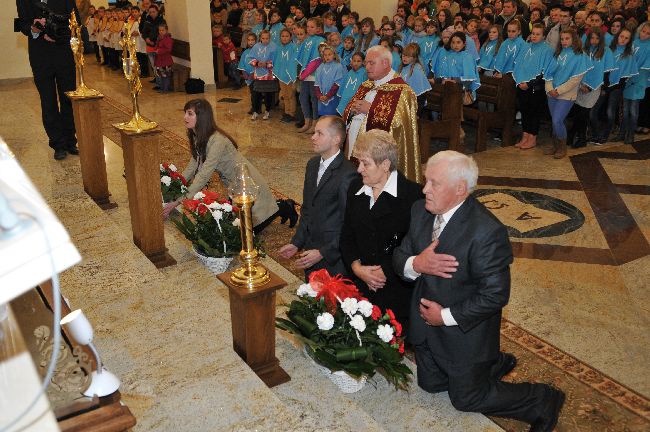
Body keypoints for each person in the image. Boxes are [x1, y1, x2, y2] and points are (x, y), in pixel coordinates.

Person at [393, 151, 565, 432]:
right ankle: (494, 365)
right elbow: (400, 256)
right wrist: (417, 263)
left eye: (434, 183)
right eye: (426, 180)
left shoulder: (486, 232)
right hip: (425, 331)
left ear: (460, 189)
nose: (424, 189)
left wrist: (445, 316)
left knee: (465, 399)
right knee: (431, 386)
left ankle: (543, 399)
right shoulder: (420, 211)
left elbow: (496, 295)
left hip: (463, 333)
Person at [163, 99, 297, 231]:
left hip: (248, 184)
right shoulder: (197, 135)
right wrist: (177, 186)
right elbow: (192, 166)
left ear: (202, 117)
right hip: (234, 186)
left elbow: (204, 174)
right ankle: (277, 207)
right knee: (234, 226)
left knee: (249, 232)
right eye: (185, 113)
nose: (185, 117)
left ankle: (285, 206)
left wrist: (177, 201)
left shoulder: (217, 140)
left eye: (190, 113)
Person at [340, 130, 423, 330]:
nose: (359, 169)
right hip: (360, 283)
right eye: (358, 162)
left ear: (385, 165)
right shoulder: (355, 188)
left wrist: (382, 272)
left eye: (365, 163)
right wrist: (357, 269)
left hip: (394, 287)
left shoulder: (413, 196)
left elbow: (413, 246)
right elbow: (346, 235)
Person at [278, 116, 358, 279]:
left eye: (319, 133)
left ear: (336, 139)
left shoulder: (348, 174)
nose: (313, 137)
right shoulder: (313, 165)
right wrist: (297, 242)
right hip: (310, 250)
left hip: (334, 259)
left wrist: (323, 252)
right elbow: (308, 208)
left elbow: (350, 224)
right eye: (314, 132)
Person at [343, 46, 422, 184]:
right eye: (366, 63)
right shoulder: (366, 85)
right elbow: (349, 108)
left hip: (379, 155)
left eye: (371, 63)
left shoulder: (403, 91)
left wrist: (371, 109)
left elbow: (400, 124)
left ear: (385, 63)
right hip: (355, 146)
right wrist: (352, 109)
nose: (367, 67)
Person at [16, 0, 79, 160]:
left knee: (68, 99)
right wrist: (34, 28)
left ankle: (70, 141)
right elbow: (20, 24)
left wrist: (58, 35)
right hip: (40, 56)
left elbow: (75, 21)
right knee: (48, 100)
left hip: (63, 53)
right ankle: (57, 143)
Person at [544, 28, 590, 159]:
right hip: (551, 93)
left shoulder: (580, 56)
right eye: (562, 39)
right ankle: (555, 145)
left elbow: (575, 80)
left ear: (574, 39)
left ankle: (562, 147)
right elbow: (548, 74)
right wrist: (550, 88)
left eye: (567, 38)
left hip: (566, 94)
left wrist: (558, 91)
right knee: (556, 121)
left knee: (557, 120)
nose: (564, 41)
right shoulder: (557, 53)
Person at [567, 27, 615, 148]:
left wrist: (591, 87)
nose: (594, 40)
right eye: (592, 38)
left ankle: (579, 137)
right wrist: (581, 84)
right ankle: (575, 135)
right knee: (578, 113)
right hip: (580, 85)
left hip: (595, 87)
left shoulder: (606, 51)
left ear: (601, 39)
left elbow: (604, 73)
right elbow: (578, 69)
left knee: (584, 113)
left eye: (597, 38)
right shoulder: (583, 51)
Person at [512, 23, 553, 150]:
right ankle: (525, 136)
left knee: (534, 113)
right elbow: (518, 65)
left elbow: (545, 71)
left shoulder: (547, 50)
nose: (534, 36)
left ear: (543, 36)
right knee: (524, 112)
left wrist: (529, 84)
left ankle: (532, 138)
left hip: (536, 87)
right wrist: (519, 82)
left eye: (538, 34)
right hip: (522, 85)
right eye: (533, 33)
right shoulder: (526, 47)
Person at [296, 17, 326, 133]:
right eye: (307, 26)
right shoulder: (307, 40)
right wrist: (301, 72)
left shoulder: (320, 41)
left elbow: (316, 60)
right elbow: (302, 58)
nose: (309, 29)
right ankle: (306, 122)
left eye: (312, 27)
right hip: (305, 75)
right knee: (303, 98)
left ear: (318, 28)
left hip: (314, 75)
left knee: (314, 99)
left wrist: (305, 73)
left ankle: (315, 124)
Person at [249, 30, 279, 120]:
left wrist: (267, 64)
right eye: (263, 38)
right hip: (258, 74)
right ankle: (255, 111)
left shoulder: (274, 47)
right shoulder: (256, 46)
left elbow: (277, 60)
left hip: (269, 74)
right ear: (260, 38)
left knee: (268, 94)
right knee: (256, 94)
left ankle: (267, 111)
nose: (265, 40)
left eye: (267, 38)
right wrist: (257, 63)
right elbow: (250, 58)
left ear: (270, 38)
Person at [274, 28, 299, 123]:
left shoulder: (294, 47)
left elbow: (294, 62)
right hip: (282, 75)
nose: (284, 38)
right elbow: (277, 61)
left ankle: (291, 113)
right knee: (285, 95)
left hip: (290, 76)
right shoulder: (279, 48)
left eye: (286, 36)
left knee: (291, 95)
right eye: (282, 36)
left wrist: (293, 76)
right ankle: (286, 112)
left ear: (291, 37)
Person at [314, 45, 346, 115]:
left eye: (329, 54)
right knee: (322, 117)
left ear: (334, 55)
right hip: (321, 98)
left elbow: (337, 84)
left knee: (332, 118)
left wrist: (328, 96)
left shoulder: (338, 66)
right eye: (325, 55)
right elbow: (316, 84)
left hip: (333, 97)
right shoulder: (320, 67)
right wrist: (319, 96)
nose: (327, 57)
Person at [154, 23, 174, 92]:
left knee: (166, 75)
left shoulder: (167, 39)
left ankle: (166, 89)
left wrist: (159, 51)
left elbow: (168, 49)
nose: (161, 32)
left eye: (163, 30)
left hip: (166, 60)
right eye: (160, 30)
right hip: (160, 60)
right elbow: (157, 45)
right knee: (162, 74)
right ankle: (162, 87)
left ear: (166, 31)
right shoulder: (159, 38)